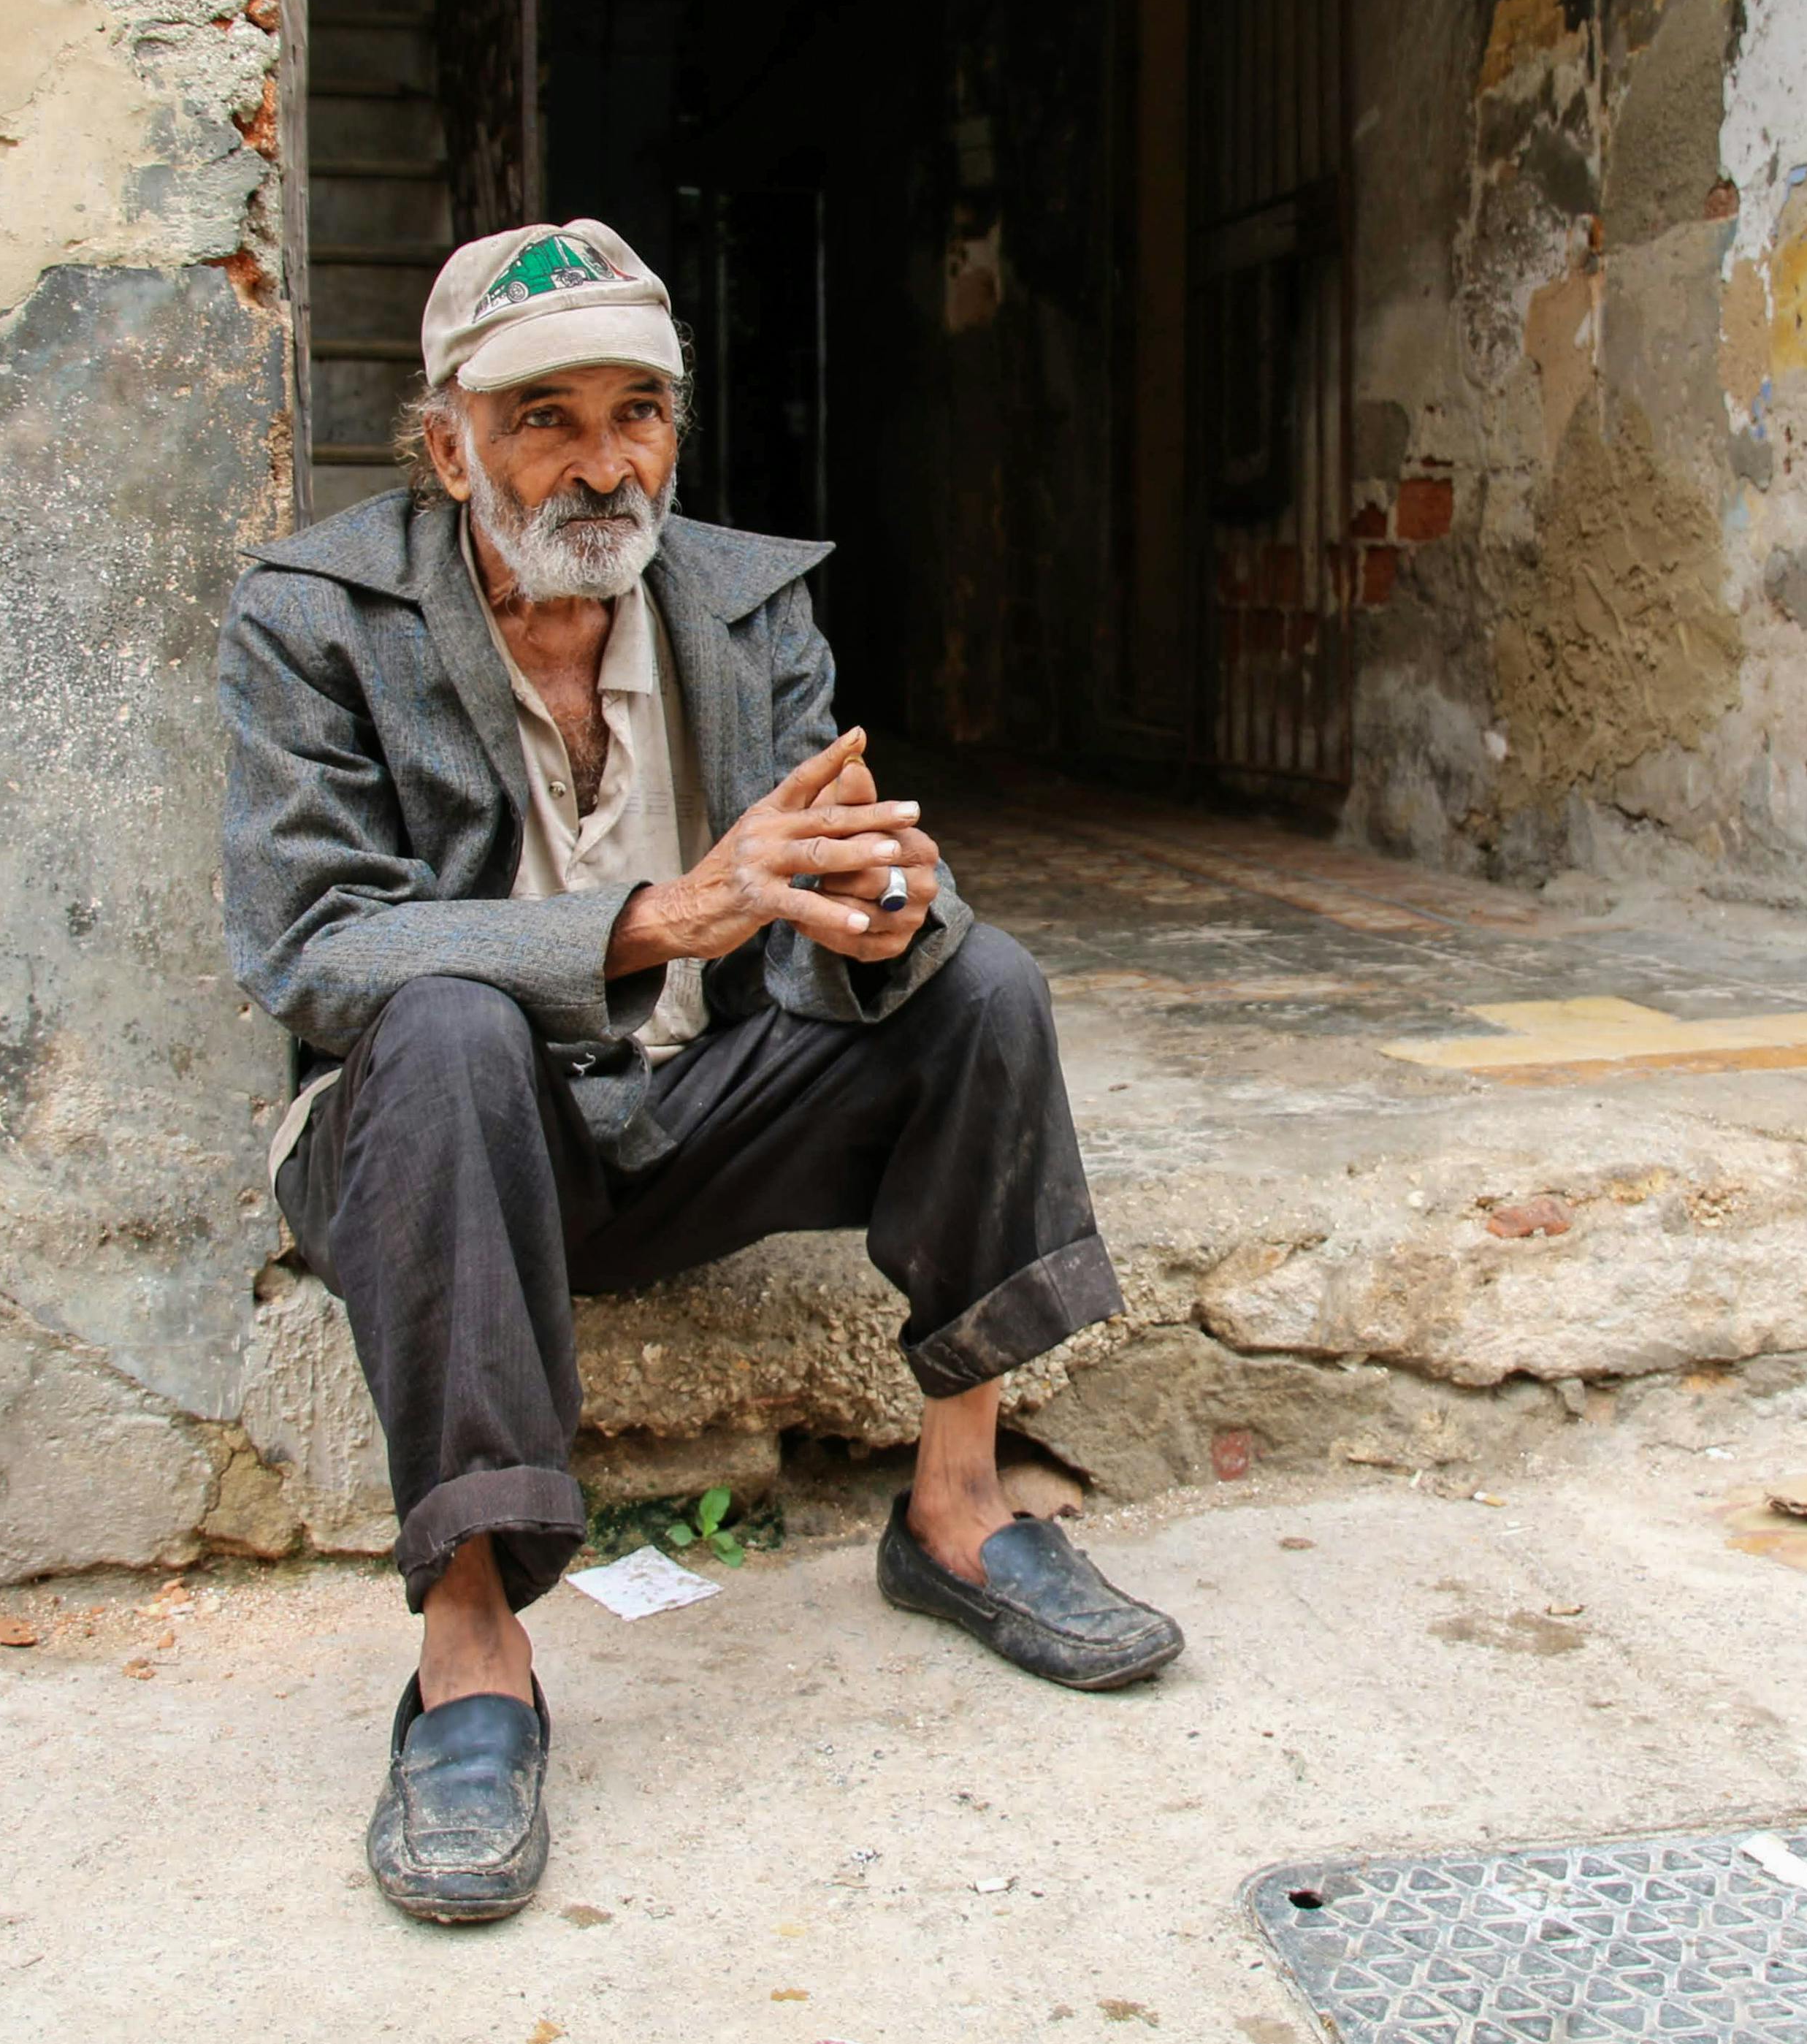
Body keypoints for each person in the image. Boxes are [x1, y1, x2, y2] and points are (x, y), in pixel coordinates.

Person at [215, 218, 1180, 1925]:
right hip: (444, 1147)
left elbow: (831, 860)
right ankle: (470, 1650)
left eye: (636, 412)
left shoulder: (743, 600)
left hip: (693, 1112)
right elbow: (313, 948)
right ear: (446, 443)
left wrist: (883, 909)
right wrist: (657, 918)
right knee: (445, 1021)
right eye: (542, 419)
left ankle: (958, 1508)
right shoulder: (317, 617)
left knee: (981, 980)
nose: (601, 464)